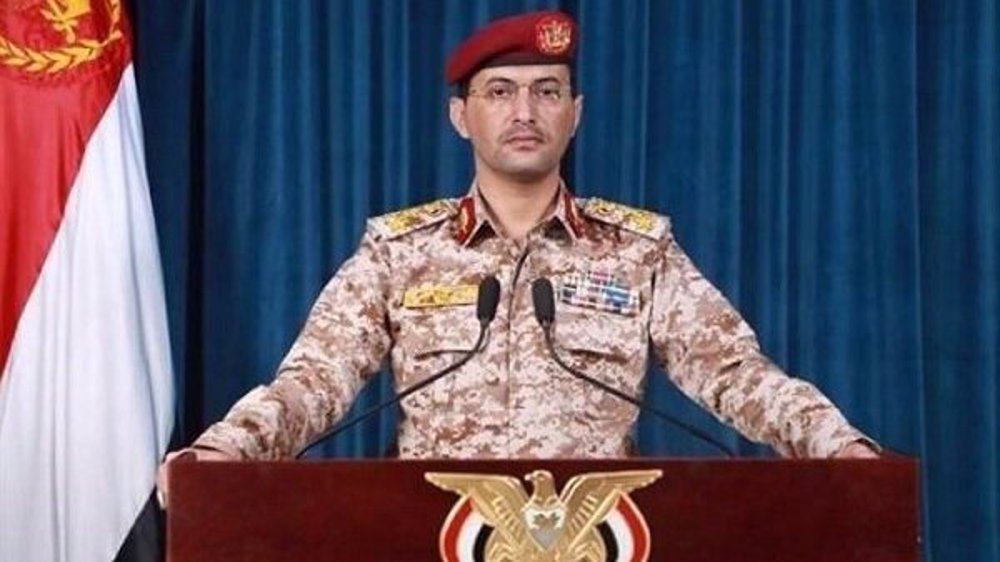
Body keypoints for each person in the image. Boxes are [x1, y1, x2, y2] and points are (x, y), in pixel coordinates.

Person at [156, 10, 877, 507]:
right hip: (433, 536)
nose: (524, 111)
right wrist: (228, 453)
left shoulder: (637, 251)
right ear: (461, 116)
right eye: (499, 92)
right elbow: (314, 380)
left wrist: (838, 447)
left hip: (602, 539)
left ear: (576, 113)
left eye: (546, 92)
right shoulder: (401, 254)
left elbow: (737, 375)